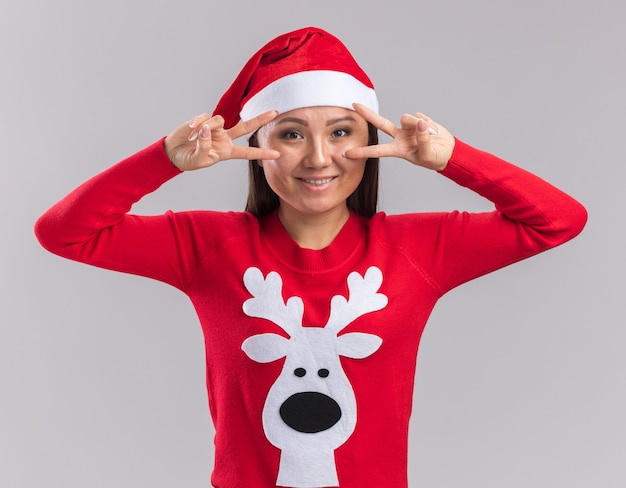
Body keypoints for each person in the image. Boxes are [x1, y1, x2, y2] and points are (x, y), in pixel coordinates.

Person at [35, 26, 587, 488]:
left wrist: (452, 159)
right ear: (257, 149)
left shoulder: (418, 251)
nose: (320, 158)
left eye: (342, 132)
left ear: (368, 141)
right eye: (293, 134)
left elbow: (560, 219)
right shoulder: (207, 247)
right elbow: (64, 234)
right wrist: (164, 161)